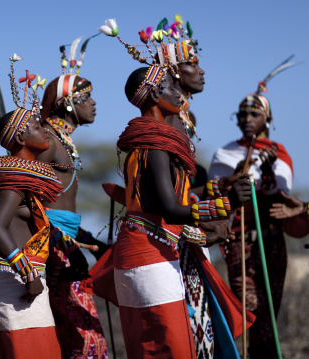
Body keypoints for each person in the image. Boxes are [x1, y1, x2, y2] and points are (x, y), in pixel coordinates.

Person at [94, 21, 251, 358]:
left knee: (167, 342)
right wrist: (223, 205)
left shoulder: (153, 139)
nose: (177, 93)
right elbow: (169, 206)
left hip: (154, 245)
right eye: (168, 85)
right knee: (172, 345)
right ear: (154, 93)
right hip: (151, 249)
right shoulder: (155, 142)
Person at [208, 63, 296, 358]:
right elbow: (216, 192)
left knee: (270, 303)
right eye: (242, 114)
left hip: (270, 237)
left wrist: (268, 166)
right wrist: (240, 171)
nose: (247, 119)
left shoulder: (279, 152)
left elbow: (282, 193)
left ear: (267, 119)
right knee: (247, 302)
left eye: (254, 114)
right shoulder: (225, 153)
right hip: (239, 238)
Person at [0, 55, 63, 359]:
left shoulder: (23, 178)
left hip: (22, 279)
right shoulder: (13, 181)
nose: (45, 130)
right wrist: (28, 274)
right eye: (36, 125)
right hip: (16, 279)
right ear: (19, 136)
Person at [36, 36, 108, 359]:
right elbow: (26, 195)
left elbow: (65, 209)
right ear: (67, 103)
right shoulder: (47, 141)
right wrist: (53, 243)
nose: (94, 103)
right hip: (52, 248)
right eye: (86, 97)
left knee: (79, 335)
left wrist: (91, 240)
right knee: (82, 336)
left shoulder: (64, 143)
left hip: (68, 242)